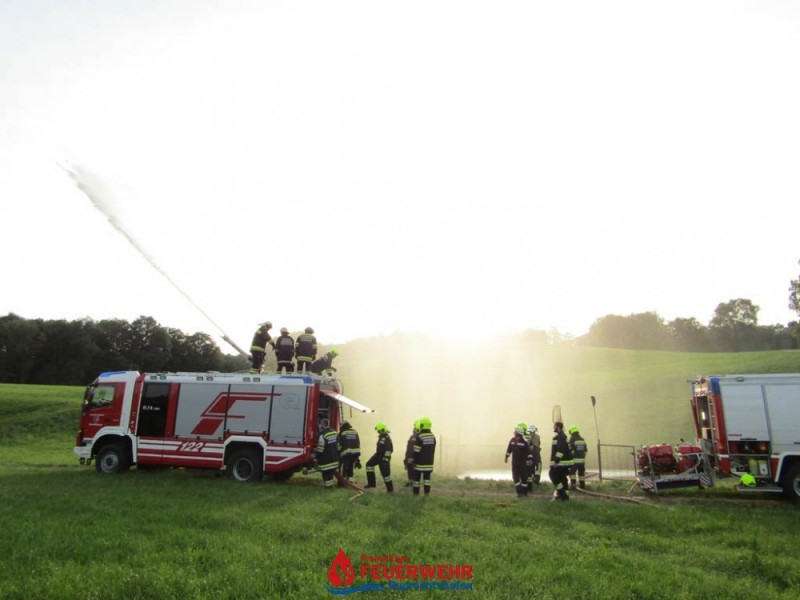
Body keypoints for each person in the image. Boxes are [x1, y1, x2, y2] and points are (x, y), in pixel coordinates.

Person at [365, 422, 394, 493]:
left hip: (383, 458)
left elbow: (389, 450)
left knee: (386, 475)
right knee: (369, 465)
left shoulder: (387, 439)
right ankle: (371, 484)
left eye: (379, 431)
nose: (378, 432)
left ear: (382, 430)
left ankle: (390, 490)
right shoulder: (381, 437)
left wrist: (386, 459)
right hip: (378, 455)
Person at [411, 417, 436, 496]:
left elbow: (416, 450)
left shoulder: (420, 436)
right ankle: (426, 494)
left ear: (422, 425)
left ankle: (416, 494)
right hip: (429, 463)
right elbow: (433, 450)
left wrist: (413, 460)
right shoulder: (432, 436)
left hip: (419, 464)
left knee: (416, 480)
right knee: (427, 480)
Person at [505, 424, 531, 497]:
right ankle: (519, 492)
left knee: (523, 478)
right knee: (515, 478)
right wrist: (506, 457)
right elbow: (509, 449)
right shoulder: (512, 440)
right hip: (515, 463)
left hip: (522, 463)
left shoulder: (524, 442)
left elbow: (528, 452)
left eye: (515, 431)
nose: (514, 432)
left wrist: (530, 459)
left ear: (519, 433)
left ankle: (525, 493)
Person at [549, 421, 573, 501]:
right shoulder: (562, 436)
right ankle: (565, 497)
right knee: (563, 479)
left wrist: (556, 461)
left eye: (554, 426)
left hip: (560, 463)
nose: (553, 427)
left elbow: (560, 450)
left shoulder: (560, 437)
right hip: (563, 463)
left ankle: (562, 494)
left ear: (558, 427)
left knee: (552, 475)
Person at [314, 418, 339, 489]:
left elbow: (320, 449)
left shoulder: (322, 435)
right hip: (334, 459)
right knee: (330, 473)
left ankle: (328, 487)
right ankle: (330, 485)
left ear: (322, 425)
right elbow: (338, 445)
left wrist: (316, 457)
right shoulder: (334, 432)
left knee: (326, 474)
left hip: (326, 460)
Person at [568, 425, 588, 490]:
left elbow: (569, 448)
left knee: (572, 473)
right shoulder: (582, 439)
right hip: (582, 461)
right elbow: (585, 450)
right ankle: (582, 486)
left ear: (571, 432)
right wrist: (582, 457)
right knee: (581, 473)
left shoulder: (572, 439)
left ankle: (573, 485)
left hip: (574, 460)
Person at [404, 420, 420, 487]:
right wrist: (406, 459)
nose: (413, 429)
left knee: (414, 470)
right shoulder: (411, 437)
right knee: (409, 468)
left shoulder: (419, 438)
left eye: (415, 428)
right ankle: (410, 481)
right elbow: (408, 448)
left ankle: (414, 483)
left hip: (415, 457)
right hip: (409, 456)